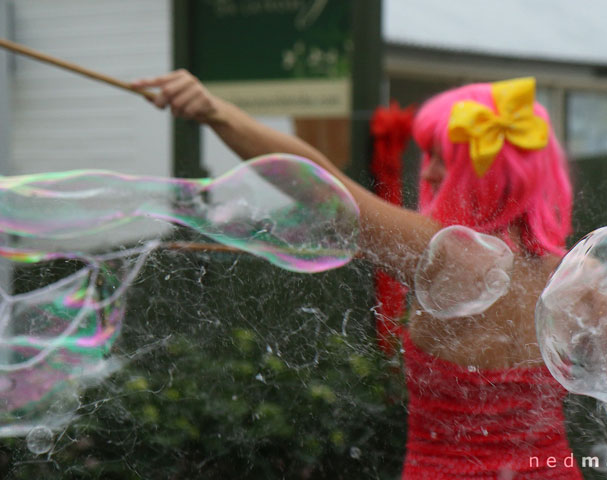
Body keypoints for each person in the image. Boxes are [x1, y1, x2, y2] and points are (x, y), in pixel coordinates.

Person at [132, 71, 583, 478]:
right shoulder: (580, 273)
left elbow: (320, 187)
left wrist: (219, 112)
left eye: (441, 157)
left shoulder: (441, 254)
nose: (426, 171)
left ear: (487, 169)